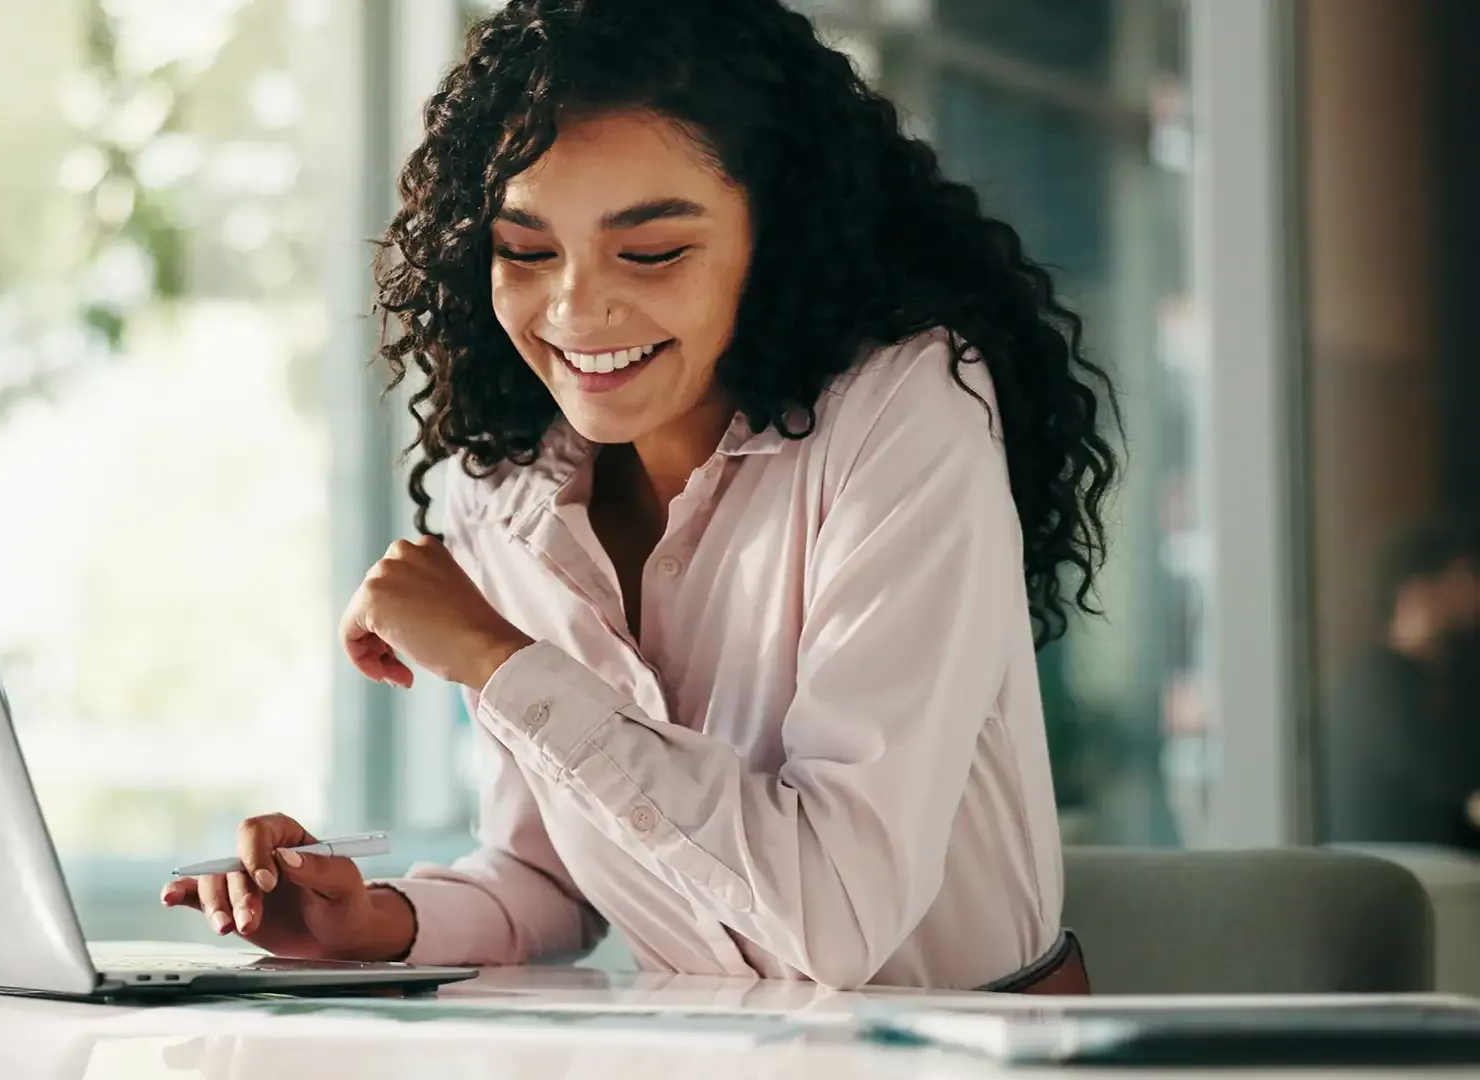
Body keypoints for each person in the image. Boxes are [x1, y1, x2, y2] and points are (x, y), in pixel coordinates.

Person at [162, 0, 1118, 990]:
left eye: (653, 251)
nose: (576, 309)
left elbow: (838, 917)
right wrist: (371, 922)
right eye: (526, 251)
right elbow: (547, 882)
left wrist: (497, 659)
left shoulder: (902, 416)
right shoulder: (498, 489)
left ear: (778, 234)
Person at [1321, 518, 1480, 851]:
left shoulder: (1449, 675)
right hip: (1398, 877)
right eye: (1464, 575)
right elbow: (1447, 780)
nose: (1475, 589)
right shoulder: (1372, 686)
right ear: (1417, 588)